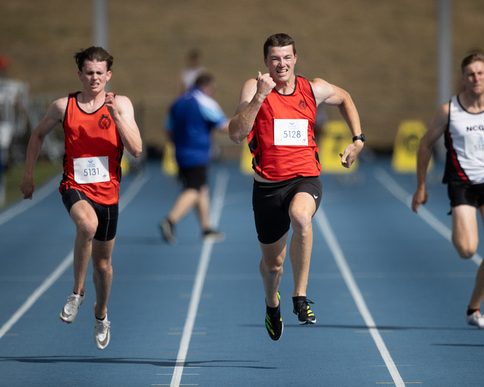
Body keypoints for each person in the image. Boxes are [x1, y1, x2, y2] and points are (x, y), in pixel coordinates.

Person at [228, 33, 364, 341]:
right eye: (275, 58)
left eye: (287, 57)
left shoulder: (312, 89)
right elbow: (236, 134)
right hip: (267, 188)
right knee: (272, 266)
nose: (281, 64)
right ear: (266, 62)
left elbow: (345, 98)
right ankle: (271, 303)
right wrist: (260, 97)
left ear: (295, 59)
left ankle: (300, 297)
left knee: (302, 217)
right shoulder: (254, 88)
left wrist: (358, 140)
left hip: (304, 179)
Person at [20, 46, 143, 349]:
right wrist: (28, 174)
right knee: (86, 226)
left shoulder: (121, 104)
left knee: (102, 266)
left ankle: (101, 313)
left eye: (99, 73)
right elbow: (37, 135)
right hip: (75, 185)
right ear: (79, 74)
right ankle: (76, 293)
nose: (94, 78)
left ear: (108, 75)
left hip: (108, 194)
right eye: (88, 72)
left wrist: (115, 116)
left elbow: (137, 149)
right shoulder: (64, 107)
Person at [411, 52, 484, 330]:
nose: (476, 78)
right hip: (462, 183)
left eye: (481, 73)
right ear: (463, 79)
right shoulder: (450, 111)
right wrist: (421, 186)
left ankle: (474, 309)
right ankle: (461, 223)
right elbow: (424, 144)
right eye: (471, 74)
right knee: (467, 250)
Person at [159, 72, 228, 245]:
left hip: (180, 151)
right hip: (197, 152)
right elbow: (223, 125)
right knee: (194, 189)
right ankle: (170, 220)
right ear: (207, 86)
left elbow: (168, 128)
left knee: (201, 188)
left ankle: (206, 228)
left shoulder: (178, 101)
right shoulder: (204, 101)